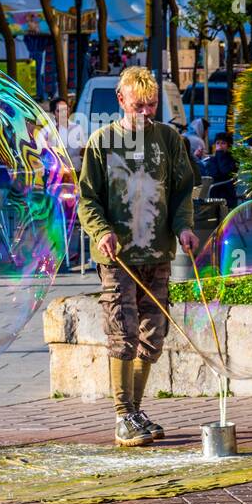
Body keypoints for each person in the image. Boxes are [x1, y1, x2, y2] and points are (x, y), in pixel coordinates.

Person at [77, 67, 199, 448]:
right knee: (122, 331)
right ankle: (121, 414)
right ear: (121, 100)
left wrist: (184, 226)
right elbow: (88, 199)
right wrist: (102, 231)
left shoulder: (168, 138)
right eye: (138, 106)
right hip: (118, 257)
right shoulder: (102, 142)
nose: (146, 113)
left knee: (153, 334)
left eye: (151, 106)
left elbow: (182, 191)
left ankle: (136, 410)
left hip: (158, 252)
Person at [201, 132, 239, 209]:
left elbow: (224, 171)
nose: (220, 146)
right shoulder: (213, 159)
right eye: (218, 143)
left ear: (229, 146)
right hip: (214, 188)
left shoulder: (233, 159)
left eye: (223, 143)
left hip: (226, 190)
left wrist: (220, 154)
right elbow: (213, 174)